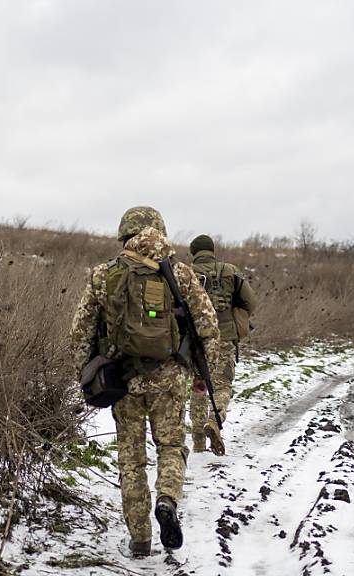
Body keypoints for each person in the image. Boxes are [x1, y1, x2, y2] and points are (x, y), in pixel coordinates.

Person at [71, 207, 223, 557]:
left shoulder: (103, 274)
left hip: (123, 381)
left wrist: (88, 376)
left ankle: (139, 538)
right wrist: (203, 375)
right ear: (160, 231)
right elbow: (208, 328)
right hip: (170, 380)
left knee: (131, 459)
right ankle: (167, 499)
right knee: (170, 446)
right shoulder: (182, 275)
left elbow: (78, 333)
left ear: (124, 234)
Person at [187, 234, 257, 456]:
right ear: (212, 250)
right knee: (222, 384)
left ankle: (198, 441)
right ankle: (214, 420)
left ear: (193, 253)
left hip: (194, 338)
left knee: (198, 386)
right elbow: (251, 302)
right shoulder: (230, 271)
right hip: (225, 337)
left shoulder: (184, 272)